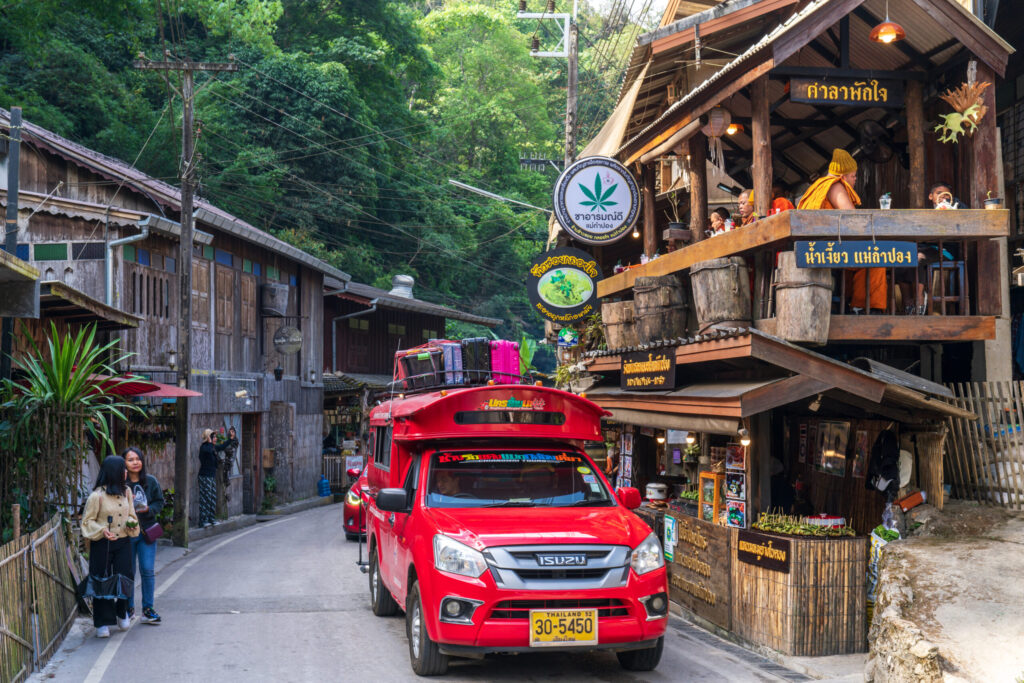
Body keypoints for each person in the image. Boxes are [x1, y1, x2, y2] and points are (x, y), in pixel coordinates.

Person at [799, 149, 887, 312]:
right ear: (843, 176)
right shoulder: (835, 186)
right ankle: (865, 307)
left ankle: (849, 304)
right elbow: (852, 219)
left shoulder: (817, 186)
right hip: (827, 249)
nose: (855, 180)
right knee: (876, 256)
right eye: (853, 176)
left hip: (814, 246)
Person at [81, 455, 139, 638]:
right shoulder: (97, 496)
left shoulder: (127, 492)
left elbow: (132, 515)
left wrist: (131, 523)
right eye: (123, 469)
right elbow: (87, 522)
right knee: (101, 581)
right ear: (114, 472)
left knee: (125, 577)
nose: (126, 472)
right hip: (102, 543)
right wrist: (102, 530)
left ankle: (122, 612)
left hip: (123, 542)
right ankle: (102, 622)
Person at [124, 447, 163, 625]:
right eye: (130, 459)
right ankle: (128, 608)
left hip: (147, 532)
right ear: (124, 463)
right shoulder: (121, 484)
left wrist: (149, 509)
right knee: (128, 572)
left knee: (147, 570)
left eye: (138, 459)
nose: (135, 462)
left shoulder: (151, 481)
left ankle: (148, 609)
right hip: (126, 533)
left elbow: (159, 502)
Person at [198, 429, 230, 527]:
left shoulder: (212, 447)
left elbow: (222, 446)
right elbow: (207, 451)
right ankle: (203, 521)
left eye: (215, 437)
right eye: (214, 437)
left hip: (211, 476)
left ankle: (211, 519)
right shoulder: (204, 447)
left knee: (212, 498)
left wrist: (231, 439)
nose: (216, 439)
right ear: (209, 438)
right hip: (205, 476)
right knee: (205, 498)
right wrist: (209, 441)